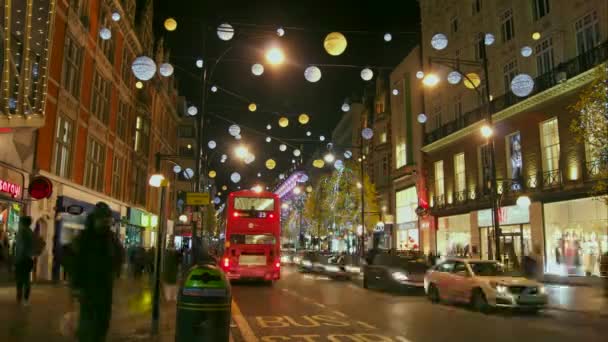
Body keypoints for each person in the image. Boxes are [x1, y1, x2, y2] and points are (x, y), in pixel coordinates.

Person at [68, 202, 123, 342]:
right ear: (95, 219)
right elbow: (75, 263)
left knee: (101, 325)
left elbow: (119, 257)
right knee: (88, 325)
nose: (105, 223)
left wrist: (115, 268)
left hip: (104, 288)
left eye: (108, 220)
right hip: (87, 288)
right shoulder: (84, 238)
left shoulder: (111, 238)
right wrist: (75, 286)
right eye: (103, 220)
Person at [14, 216, 34, 305]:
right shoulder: (31, 232)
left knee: (20, 279)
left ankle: (19, 298)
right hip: (29, 259)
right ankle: (25, 298)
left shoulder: (22, 232)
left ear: (23, 223)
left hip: (21, 259)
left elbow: (20, 247)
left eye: (20, 222)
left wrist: (16, 259)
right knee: (26, 279)